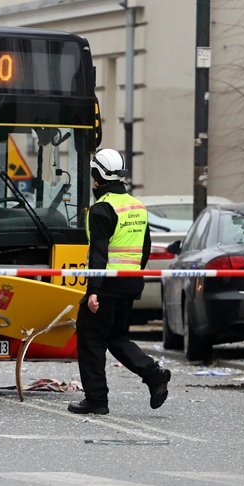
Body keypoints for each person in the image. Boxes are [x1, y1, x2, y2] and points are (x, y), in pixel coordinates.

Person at [68, 148, 171, 415]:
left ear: (97, 176)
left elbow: (99, 253)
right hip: (130, 283)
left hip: (107, 285)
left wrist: (93, 291)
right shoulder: (137, 206)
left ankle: (96, 400)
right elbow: (145, 248)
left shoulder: (102, 209)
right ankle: (153, 374)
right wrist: (134, 275)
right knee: (116, 337)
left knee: (90, 338)